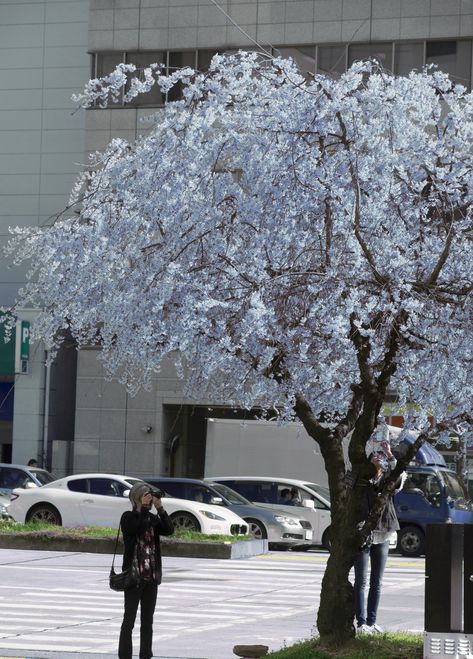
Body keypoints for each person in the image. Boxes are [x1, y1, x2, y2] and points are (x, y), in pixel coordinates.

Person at [353, 439, 404, 635]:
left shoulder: (389, 481)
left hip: (383, 531)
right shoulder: (361, 479)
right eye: (376, 455)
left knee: (377, 581)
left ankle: (372, 622)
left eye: (381, 457)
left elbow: (400, 476)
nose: (378, 458)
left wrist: (390, 454)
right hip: (363, 531)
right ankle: (361, 622)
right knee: (361, 580)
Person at [118, 482, 174, 659]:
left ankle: (145, 655)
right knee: (129, 620)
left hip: (151, 577)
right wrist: (142, 508)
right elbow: (136, 529)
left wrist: (160, 508)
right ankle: (125, 655)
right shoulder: (128, 517)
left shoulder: (151, 517)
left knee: (147, 621)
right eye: (145, 497)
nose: (148, 500)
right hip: (134, 576)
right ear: (136, 498)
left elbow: (169, 530)